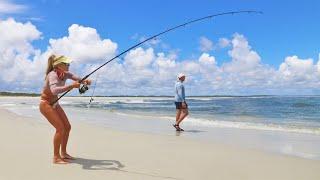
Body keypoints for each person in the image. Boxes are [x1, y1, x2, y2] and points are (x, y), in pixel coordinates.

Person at [39, 55, 91, 164]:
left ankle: (63, 153)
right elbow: (54, 90)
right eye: (66, 64)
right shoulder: (52, 75)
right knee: (60, 129)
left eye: (69, 64)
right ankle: (56, 157)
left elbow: (77, 78)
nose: (68, 65)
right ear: (58, 65)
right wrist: (71, 86)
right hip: (46, 104)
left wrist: (85, 81)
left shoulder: (66, 74)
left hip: (55, 104)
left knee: (67, 127)